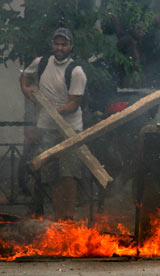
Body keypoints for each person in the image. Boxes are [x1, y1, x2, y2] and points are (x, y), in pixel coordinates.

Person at [20, 28, 87, 220]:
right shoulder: (40, 63)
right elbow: (24, 76)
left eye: (64, 44)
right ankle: (60, 219)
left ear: (70, 46)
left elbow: (74, 104)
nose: (59, 47)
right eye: (57, 44)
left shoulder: (76, 72)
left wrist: (56, 111)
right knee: (52, 176)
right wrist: (26, 89)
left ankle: (69, 219)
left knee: (68, 175)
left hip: (69, 130)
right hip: (46, 129)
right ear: (52, 45)